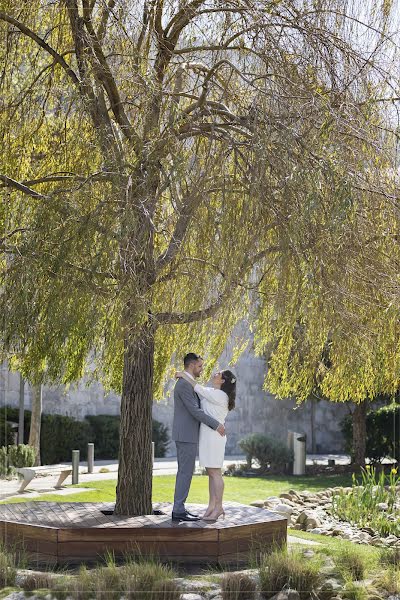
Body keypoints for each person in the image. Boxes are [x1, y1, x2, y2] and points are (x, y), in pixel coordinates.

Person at [175, 368, 236, 521]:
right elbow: (200, 390)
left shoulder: (221, 395)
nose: (215, 373)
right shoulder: (213, 392)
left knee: (215, 473)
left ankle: (219, 507)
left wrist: (183, 375)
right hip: (208, 436)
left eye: (218, 374)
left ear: (222, 381)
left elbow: (197, 387)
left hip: (214, 437)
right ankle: (211, 506)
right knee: (211, 473)